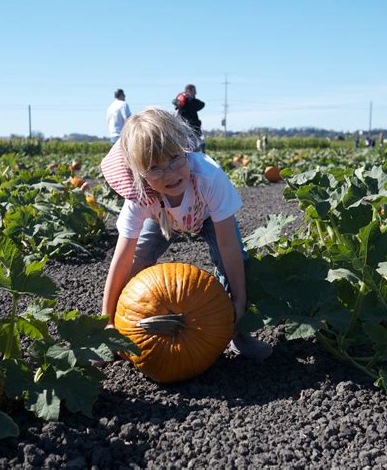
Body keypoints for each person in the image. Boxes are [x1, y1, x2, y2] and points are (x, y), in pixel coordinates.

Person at [100, 108, 273, 360]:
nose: (169, 173)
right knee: (137, 261)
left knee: (234, 263)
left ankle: (238, 332)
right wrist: (107, 318)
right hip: (160, 218)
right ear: (139, 174)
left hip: (206, 217)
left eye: (174, 158)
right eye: (154, 167)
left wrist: (240, 299)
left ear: (185, 149)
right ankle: (117, 333)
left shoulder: (209, 177)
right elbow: (122, 259)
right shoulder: (139, 198)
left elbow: (228, 247)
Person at [172, 84, 205, 152]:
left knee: (199, 145)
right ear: (188, 91)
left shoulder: (194, 102)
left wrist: (190, 99)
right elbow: (174, 102)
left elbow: (202, 104)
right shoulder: (183, 101)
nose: (195, 93)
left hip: (194, 128)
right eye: (194, 91)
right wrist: (182, 101)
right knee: (187, 148)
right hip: (184, 128)